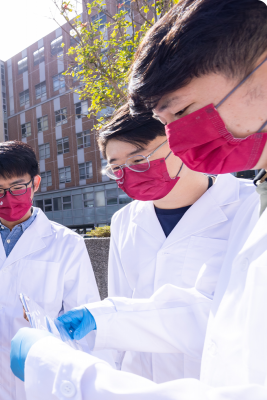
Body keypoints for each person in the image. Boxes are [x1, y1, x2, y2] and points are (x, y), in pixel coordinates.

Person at [9, 0, 267, 398]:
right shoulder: (130, 220)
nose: (180, 140)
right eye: (116, 167)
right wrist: (104, 317)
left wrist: (62, 373)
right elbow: (213, 314)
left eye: (182, 111)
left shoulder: (246, 202)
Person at [95, 105, 255, 382]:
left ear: (178, 142)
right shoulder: (124, 221)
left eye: (139, 159)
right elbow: (120, 299)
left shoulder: (249, 206)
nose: (130, 173)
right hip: (142, 380)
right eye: (117, 168)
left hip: (214, 380)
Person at [0, 141, 109, 399]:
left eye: (17, 187)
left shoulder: (67, 243)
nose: (7, 197)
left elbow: (82, 320)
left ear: (35, 184)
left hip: (42, 378)